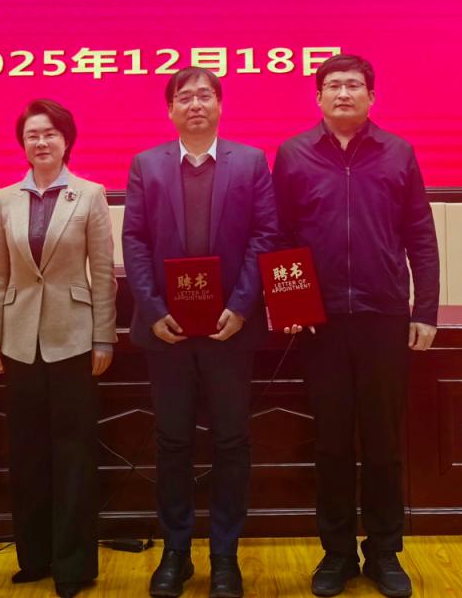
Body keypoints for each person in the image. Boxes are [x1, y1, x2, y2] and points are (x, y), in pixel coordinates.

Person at [271, 55, 440, 598]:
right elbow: (280, 236)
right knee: (332, 443)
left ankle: (385, 552)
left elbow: (420, 235)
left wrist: (425, 310)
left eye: (353, 85)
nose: (343, 93)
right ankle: (338, 553)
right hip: (319, 323)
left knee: (384, 442)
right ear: (317, 97)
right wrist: (290, 306)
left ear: (372, 96)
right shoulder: (294, 153)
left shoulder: (398, 152)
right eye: (333, 85)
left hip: (382, 317)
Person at [122, 68, 280, 598]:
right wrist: (153, 308)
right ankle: (175, 553)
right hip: (166, 331)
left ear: (219, 105)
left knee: (231, 441)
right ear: (170, 110)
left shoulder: (250, 162)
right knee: (172, 442)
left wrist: (240, 307)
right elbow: (135, 241)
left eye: (204, 95)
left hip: (229, 331)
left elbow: (265, 235)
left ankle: (225, 557)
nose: (195, 104)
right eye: (184, 97)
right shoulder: (146, 164)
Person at [0, 99, 117, 598]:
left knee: (73, 453)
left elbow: (103, 271)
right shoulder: (5, 199)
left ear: (66, 141)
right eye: (32, 135)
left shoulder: (90, 194)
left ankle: (74, 565)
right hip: (18, 341)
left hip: (74, 337)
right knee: (27, 452)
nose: (41, 142)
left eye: (50, 134)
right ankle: (34, 556)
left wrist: (104, 335)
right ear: (23, 143)